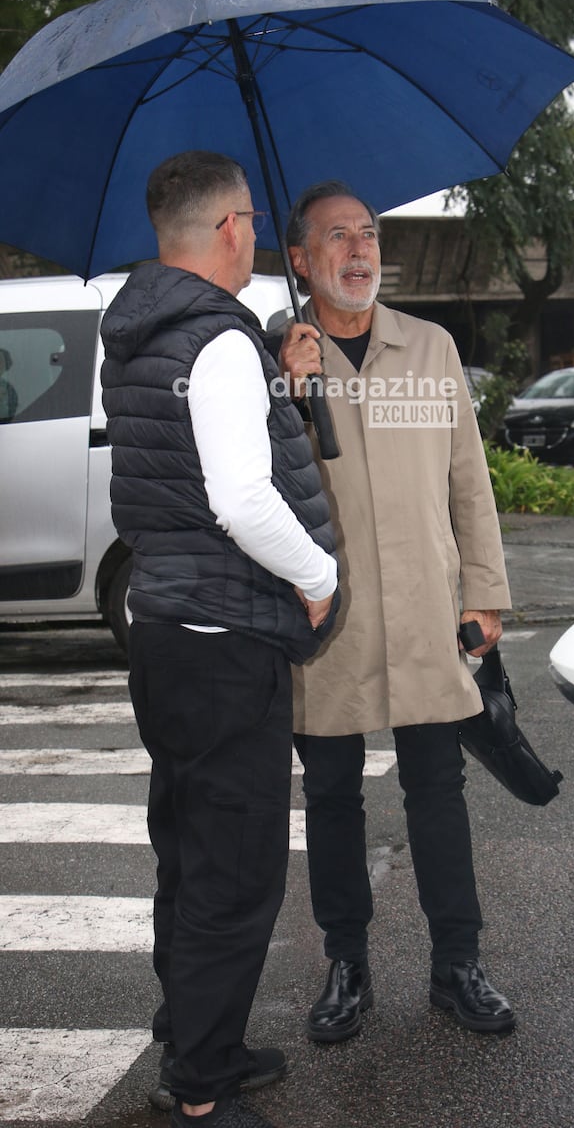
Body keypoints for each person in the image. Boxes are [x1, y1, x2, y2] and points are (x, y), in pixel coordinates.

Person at [100, 151, 339, 1128]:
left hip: (164, 631)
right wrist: (317, 576)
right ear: (231, 227)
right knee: (234, 869)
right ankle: (199, 1081)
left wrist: (280, 375)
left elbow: (196, 459)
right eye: (250, 221)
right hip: (224, 634)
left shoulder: (145, 333)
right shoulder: (219, 341)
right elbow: (241, 494)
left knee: (188, 851)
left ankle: (199, 1035)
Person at [279, 180, 515, 1044]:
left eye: (367, 234)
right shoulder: (276, 363)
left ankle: (458, 965)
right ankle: (347, 964)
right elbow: (261, 486)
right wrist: (288, 390)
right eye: (335, 237)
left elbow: (467, 476)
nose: (358, 251)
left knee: (437, 791)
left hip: (424, 613)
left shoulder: (430, 349)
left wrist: (484, 590)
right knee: (333, 796)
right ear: (300, 260)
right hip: (329, 622)